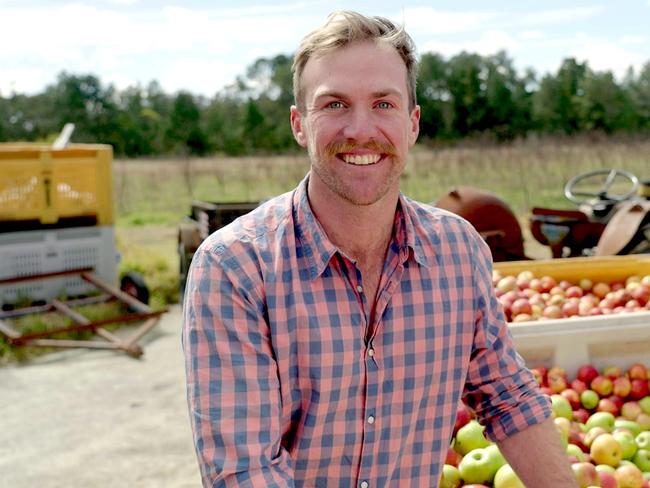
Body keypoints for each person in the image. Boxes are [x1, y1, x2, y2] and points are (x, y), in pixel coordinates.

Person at [182, 10, 578, 488]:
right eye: (334, 105)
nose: (360, 129)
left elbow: (510, 399)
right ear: (299, 125)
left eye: (384, 105)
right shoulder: (235, 268)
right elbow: (244, 472)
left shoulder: (459, 252)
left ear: (412, 124)